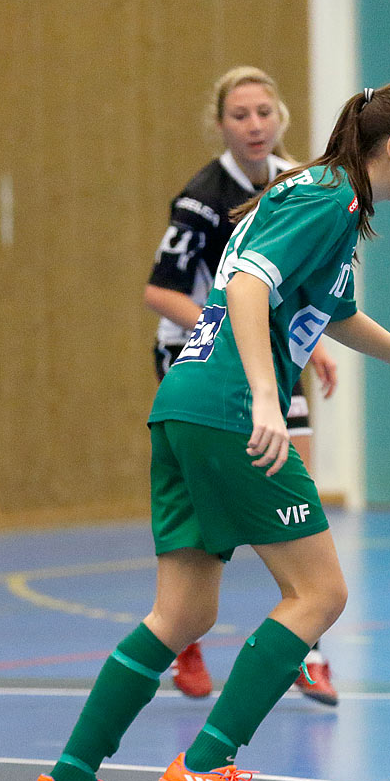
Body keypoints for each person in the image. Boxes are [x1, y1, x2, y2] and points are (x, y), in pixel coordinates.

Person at [26, 82, 390, 781]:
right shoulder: (328, 198)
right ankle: (210, 763)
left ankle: (69, 780)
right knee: (319, 594)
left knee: (184, 611)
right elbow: (251, 285)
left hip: (183, 405)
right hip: (228, 409)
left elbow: (335, 312)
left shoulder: (326, 199)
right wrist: (266, 395)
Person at [144, 66, 341, 706]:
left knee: (298, 492)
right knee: (208, 513)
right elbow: (160, 291)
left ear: (281, 116)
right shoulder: (201, 199)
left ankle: (308, 649)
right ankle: (185, 630)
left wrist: (312, 347)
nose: (254, 125)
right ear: (221, 124)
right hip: (202, 363)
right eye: (239, 115)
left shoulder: (297, 184)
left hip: (273, 362)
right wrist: (230, 328)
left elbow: (298, 285)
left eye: (264, 112)